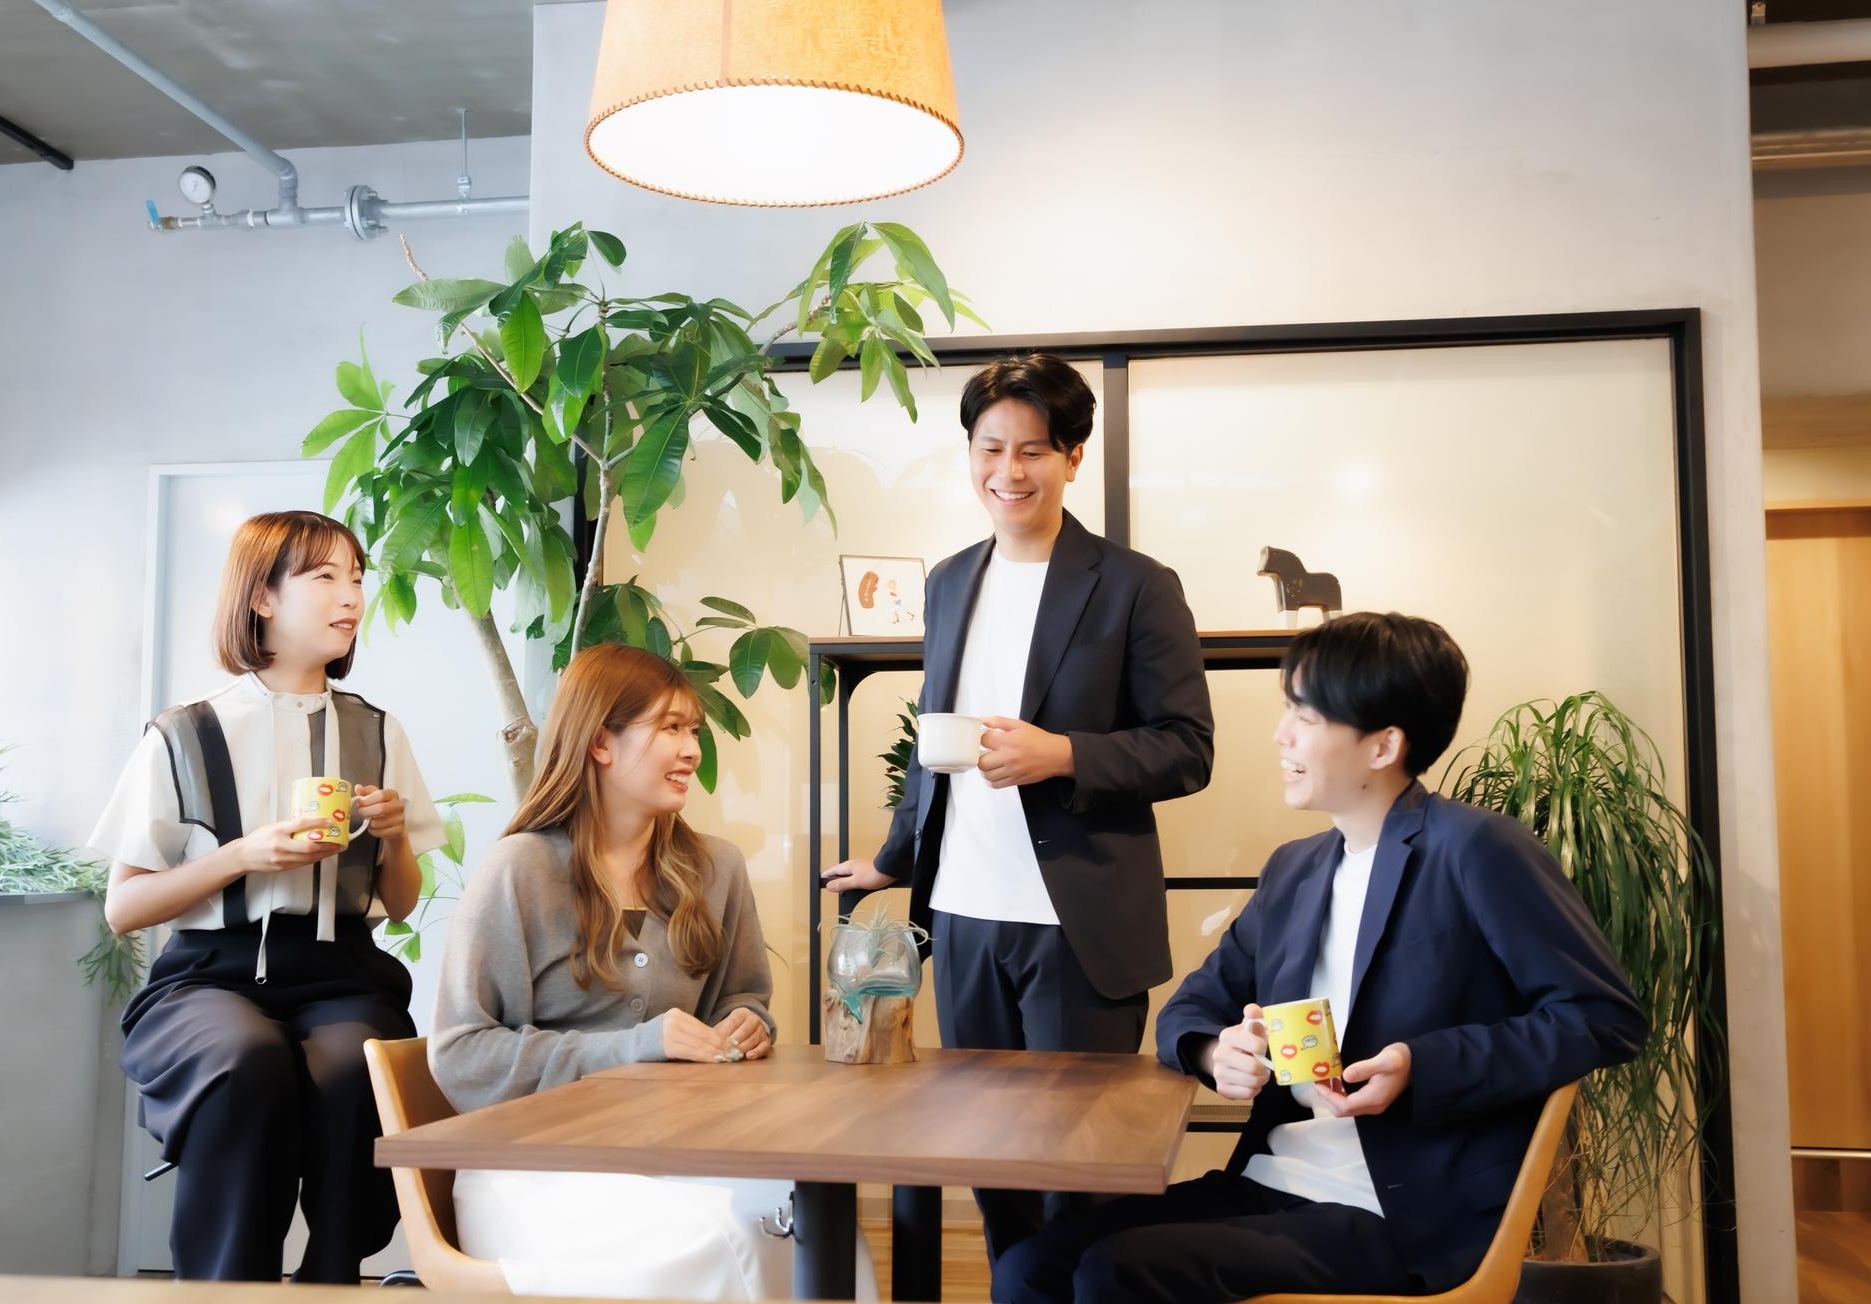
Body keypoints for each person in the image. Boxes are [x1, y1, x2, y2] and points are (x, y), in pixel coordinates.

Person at [991, 612, 1649, 1303]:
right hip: (1274, 1180)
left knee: (1117, 1270)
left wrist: (1420, 1066)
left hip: (1402, 1211)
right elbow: (1192, 1005)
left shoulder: (1477, 849)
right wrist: (1217, 1051)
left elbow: (1603, 1018)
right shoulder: (1295, 870)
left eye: (1305, 716)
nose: (1282, 734)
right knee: (1029, 1266)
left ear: (1383, 745)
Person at [822, 353, 1215, 1262]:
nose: (1009, 471)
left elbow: (1188, 747)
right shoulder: (950, 580)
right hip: (963, 915)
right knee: (987, 1159)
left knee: (1080, 1168)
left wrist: (1064, 754)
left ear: (1073, 456)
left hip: (1076, 924)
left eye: (1033, 450)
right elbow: (934, 739)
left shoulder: (1135, 585)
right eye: (990, 448)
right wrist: (895, 858)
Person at [430, 642, 875, 1300]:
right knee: (716, 1243)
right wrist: (635, 1046)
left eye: (693, 730)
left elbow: (743, 997)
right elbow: (461, 1053)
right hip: (532, 1167)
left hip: (676, 1150)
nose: (692, 750)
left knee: (815, 1226)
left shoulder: (716, 869)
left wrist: (745, 1023)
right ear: (600, 743)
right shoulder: (520, 869)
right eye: (670, 728)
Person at [90, 509, 444, 1282]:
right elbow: (124, 910)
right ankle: (227, 1285)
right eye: (325, 577)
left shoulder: (379, 731)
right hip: (206, 977)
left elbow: (402, 904)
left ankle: (331, 1278)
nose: (351, 596)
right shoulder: (185, 734)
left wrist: (393, 837)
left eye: (357, 578)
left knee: (354, 1066)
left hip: (342, 972)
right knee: (245, 1059)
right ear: (262, 598)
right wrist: (242, 856)